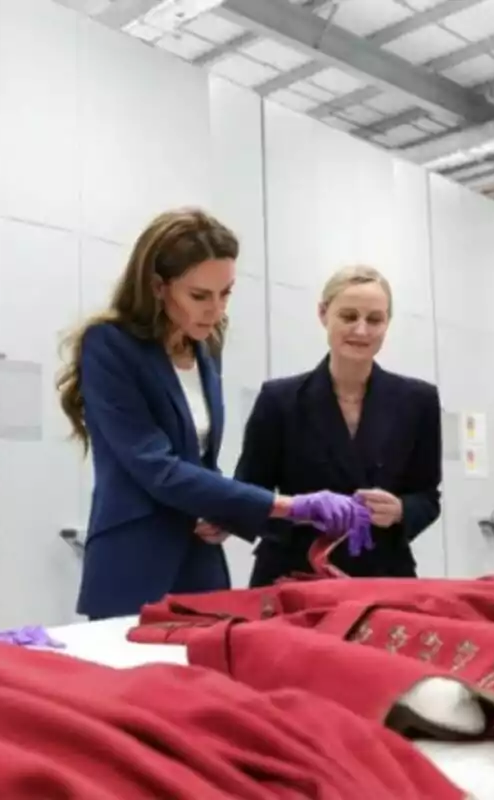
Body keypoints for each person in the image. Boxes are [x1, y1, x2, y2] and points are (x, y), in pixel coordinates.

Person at [57, 208, 370, 621]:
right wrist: (290, 505)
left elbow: (200, 462)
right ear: (157, 286)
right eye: (200, 296)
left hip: (200, 556)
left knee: (210, 675)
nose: (217, 310)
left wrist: (227, 514)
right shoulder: (110, 347)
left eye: (226, 293)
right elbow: (158, 469)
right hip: (133, 560)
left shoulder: (204, 348)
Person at [233, 265, 443, 586]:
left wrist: (401, 510)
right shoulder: (279, 399)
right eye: (348, 316)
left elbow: (427, 497)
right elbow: (248, 493)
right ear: (323, 314)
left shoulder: (419, 401)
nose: (361, 330)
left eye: (374, 319)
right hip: (292, 572)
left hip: (382, 572)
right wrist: (300, 512)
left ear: (388, 322)